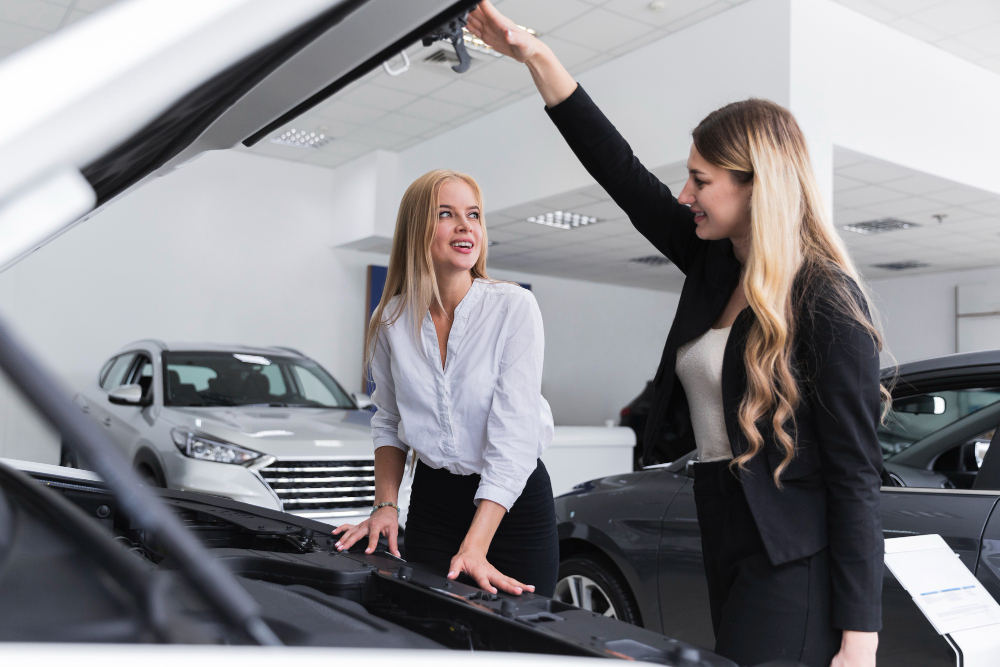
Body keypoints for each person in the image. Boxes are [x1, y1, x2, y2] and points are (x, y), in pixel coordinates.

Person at [468, 3, 885, 666]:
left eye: (702, 179)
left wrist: (860, 637)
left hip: (792, 554)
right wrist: (537, 58)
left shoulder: (826, 300)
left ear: (757, 187)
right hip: (720, 520)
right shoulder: (716, 266)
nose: (685, 194)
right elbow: (620, 171)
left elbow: (856, 475)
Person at [332, 169, 559, 597]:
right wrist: (385, 506)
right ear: (418, 229)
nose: (465, 226)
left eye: (473, 214)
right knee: (432, 631)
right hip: (434, 502)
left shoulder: (513, 308)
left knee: (520, 643)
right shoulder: (390, 320)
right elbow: (389, 419)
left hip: (510, 504)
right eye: (446, 214)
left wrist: (475, 546)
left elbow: (515, 437)